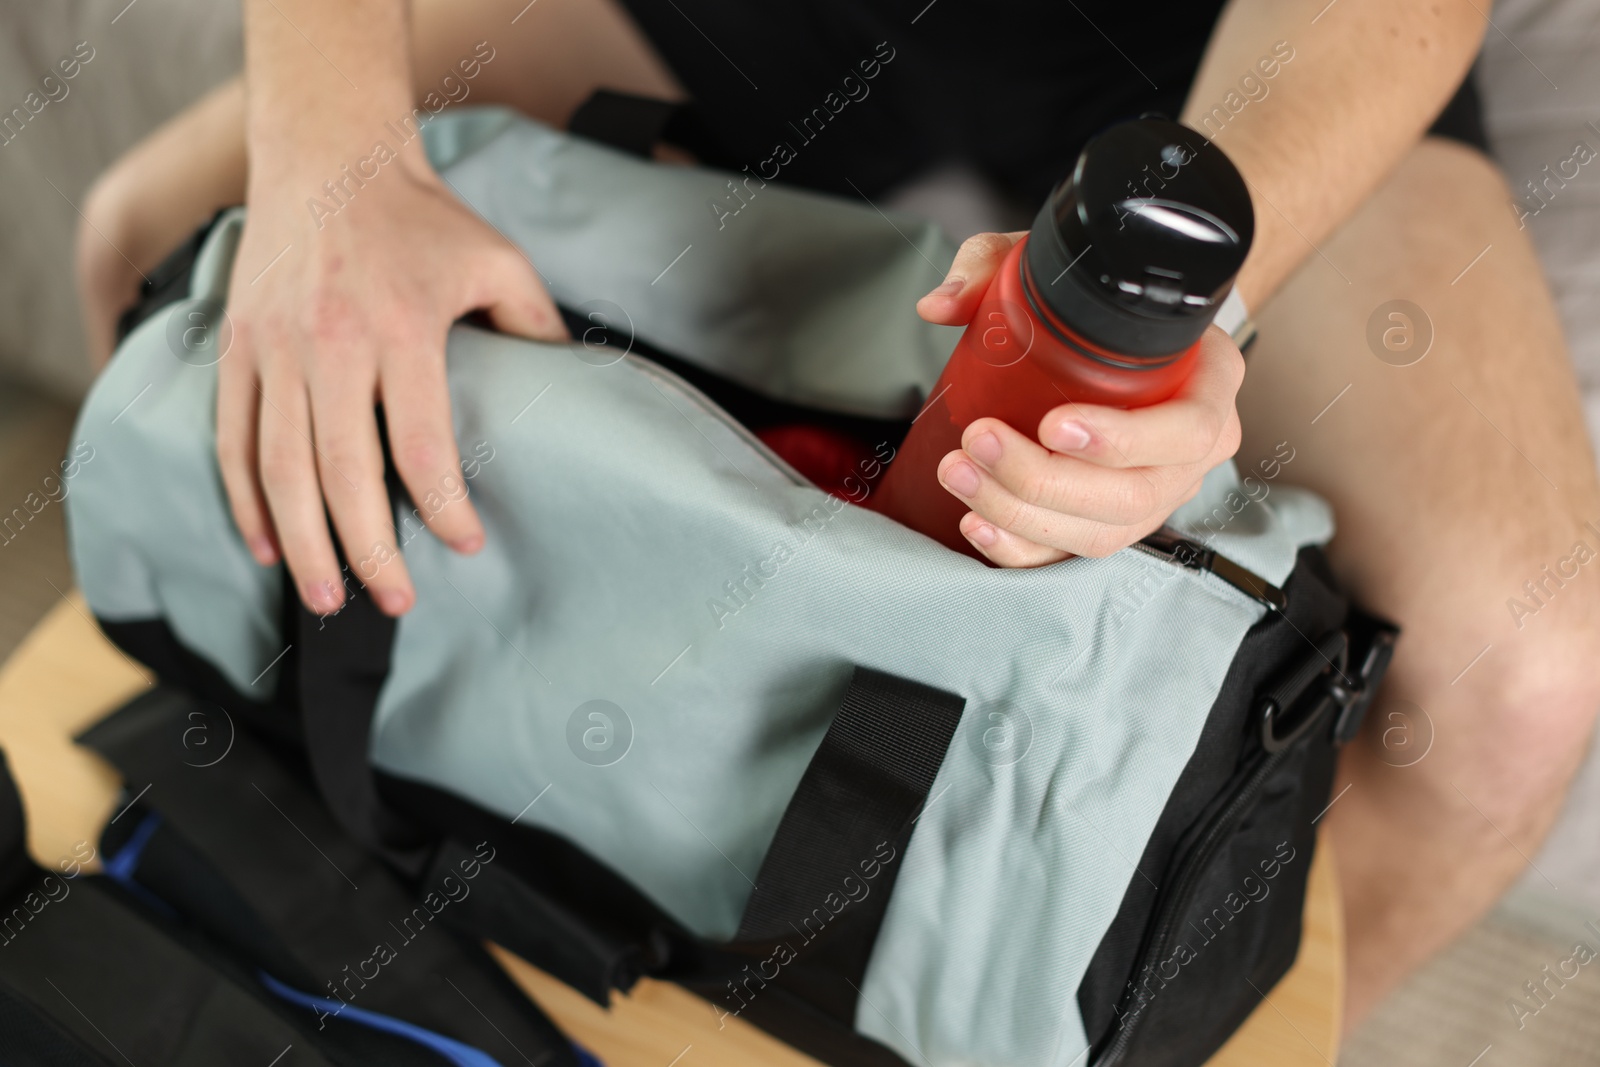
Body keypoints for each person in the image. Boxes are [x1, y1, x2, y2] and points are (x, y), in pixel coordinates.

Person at [76, 0, 1600, 1034]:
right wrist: (329, 167)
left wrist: (1217, 303)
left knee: (1514, 689)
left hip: (1220, 50)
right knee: (165, 251)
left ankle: (1119, 1018)